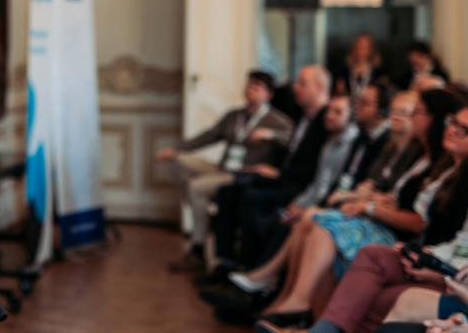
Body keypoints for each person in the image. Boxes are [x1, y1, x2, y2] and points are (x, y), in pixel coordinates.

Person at [271, 97, 468, 333]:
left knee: (377, 291)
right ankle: (312, 323)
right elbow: (464, 239)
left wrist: (448, 273)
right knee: (375, 254)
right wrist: (429, 255)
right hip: (453, 264)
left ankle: (310, 322)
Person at [157, 70, 294, 272]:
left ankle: (198, 246)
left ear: (268, 94)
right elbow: (209, 136)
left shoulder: (278, 121)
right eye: (249, 85)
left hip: (243, 174)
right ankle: (200, 207)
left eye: (257, 87)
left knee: (197, 187)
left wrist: (271, 135)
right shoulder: (235, 115)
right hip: (222, 168)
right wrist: (177, 148)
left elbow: (293, 139)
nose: (250, 90)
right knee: (177, 161)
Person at [211, 66, 332, 273]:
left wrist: (280, 174)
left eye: (302, 84)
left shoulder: (325, 121)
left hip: (299, 186)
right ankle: (225, 262)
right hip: (285, 177)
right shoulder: (302, 116)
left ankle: (249, 267)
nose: (295, 88)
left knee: (250, 197)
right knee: (227, 192)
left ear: (320, 88)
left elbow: (316, 170)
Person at [332, 34, 388, 99]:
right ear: (353, 49)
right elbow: (339, 93)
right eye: (358, 47)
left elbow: (382, 95)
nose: (361, 51)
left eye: (365, 48)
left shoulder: (379, 73)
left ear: (372, 50)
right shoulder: (343, 72)